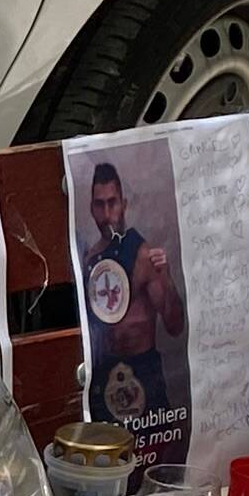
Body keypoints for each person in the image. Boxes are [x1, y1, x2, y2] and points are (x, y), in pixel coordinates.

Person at [78, 160, 187, 402]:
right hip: (103, 380)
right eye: (100, 205)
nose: (107, 214)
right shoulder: (89, 260)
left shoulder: (142, 255)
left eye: (112, 203)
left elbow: (175, 326)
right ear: (92, 209)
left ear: (124, 205)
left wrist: (166, 278)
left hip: (143, 375)